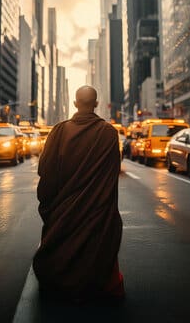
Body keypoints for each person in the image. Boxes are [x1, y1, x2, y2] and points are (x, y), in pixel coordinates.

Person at [33, 85, 124, 304]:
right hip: (96, 209)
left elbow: (45, 171)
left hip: (63, 209)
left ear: (75, 103)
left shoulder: (59, 131)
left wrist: (49, 206)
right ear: (96, 104)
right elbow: (111, 177)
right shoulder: (109, 133)